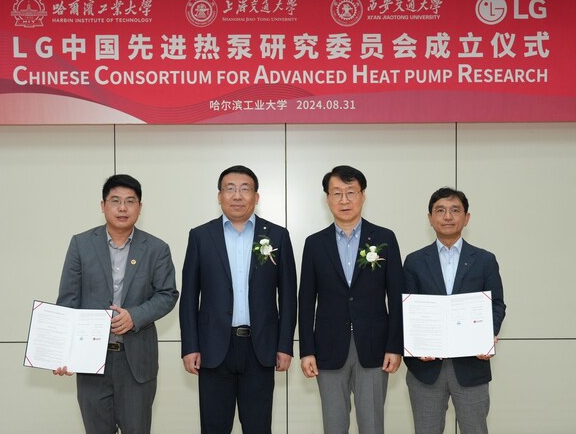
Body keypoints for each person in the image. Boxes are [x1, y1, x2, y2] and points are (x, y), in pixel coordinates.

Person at [53, 174, 179, 434]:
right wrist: (62, 353)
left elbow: (167, 294)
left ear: (140, 207)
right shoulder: (81, 244)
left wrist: (135, 316)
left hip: (136, 363)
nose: (123, 208)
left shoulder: (157, 248)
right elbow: (68, 300)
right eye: (115, 201)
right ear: (103, 205)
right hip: (90, 361)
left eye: (130, 201)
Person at [179, 165, 297, 434]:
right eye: (230, 189)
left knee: (258, 427)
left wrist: (284, 345)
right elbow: (189, 297)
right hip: (213, 348)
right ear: (219, 196)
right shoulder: (200, 236)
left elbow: (288, 296)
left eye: (245, 189)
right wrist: (190, 346)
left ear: (256, 197)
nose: (237, 195)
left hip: (260, 348)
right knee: (214, 427)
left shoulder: (277, 236)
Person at [298, 165, 404, 434]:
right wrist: (307, 350)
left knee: (372, 426)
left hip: (374, 347)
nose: (344, 200)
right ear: (327, 198)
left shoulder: (384, 238)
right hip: (328, 347)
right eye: (337, 193)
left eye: (350, 192)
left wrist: (395, 346)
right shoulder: (315, 243)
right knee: (334, 426)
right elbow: (306, 300)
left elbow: (396, 297)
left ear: (363, 195)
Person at [403, 187, 506, 434]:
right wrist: (417, 346)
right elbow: (407, 309)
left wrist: (485, 337)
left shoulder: (485, 260)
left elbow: (496, 305)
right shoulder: (414, 261)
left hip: (472, 365)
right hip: (425, 370)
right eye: (440, 210)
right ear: (430, 218)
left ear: (466, 218)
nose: (448, 216)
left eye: (455, 210)